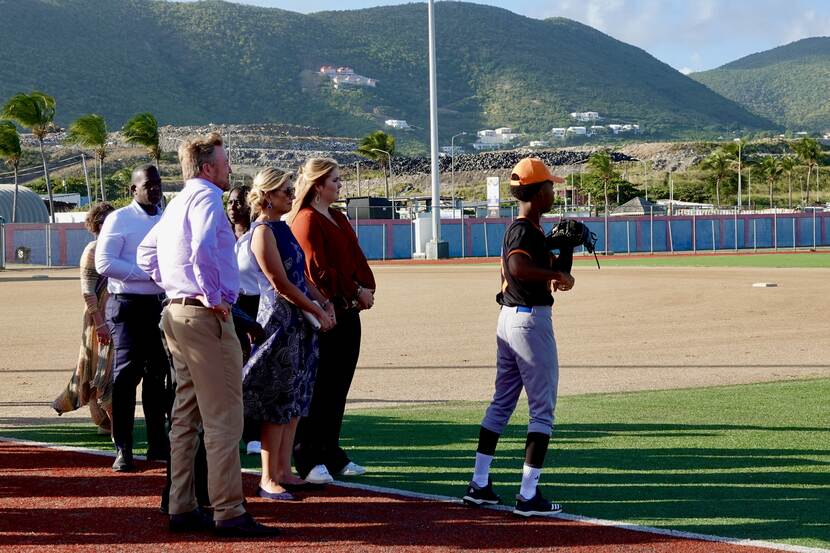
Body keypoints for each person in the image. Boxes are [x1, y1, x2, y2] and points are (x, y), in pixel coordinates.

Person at [137, 132, 278, 537]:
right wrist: (213, 297)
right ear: (207, 167)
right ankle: (229, 511)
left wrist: (176, 285)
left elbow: (147, 254)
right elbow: (200, 246)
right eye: (224, 160)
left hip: (176, 314)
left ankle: (182, 505)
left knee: (186, 415)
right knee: (224, 420)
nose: (229, 167)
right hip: (203, 318)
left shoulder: (177, 201)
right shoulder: (204, 200)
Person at [461, 157, 575, 517]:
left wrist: (567, 248)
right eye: (550, 187)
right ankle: (528, 495)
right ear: (538, 192)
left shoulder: (532, 230)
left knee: (503, 402)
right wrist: (553, 275)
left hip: (511, 319)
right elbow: (518, 267)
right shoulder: (523, 230)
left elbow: (558, 273)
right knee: (542, 409)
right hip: (529, 322)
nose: (553, 192)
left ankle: (479, 484)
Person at [243, 167, 335, 500]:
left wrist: (323, 300)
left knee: (295, 399)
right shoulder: (263, 232)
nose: (291, 195)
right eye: (284, 191)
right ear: (266, 196)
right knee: (277, 400)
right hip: (280, 325)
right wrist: (315, 309)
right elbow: (280, 284)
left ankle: (284, 470)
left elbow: (302, 276)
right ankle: (268, 476)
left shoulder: (283, 229)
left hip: (301, 325)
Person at [289, 157, 376, 484]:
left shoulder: (338, 217)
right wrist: (355, 291)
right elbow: (317, 271)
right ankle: (307, 456)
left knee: (338, 387)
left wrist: (364, 289)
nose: (340, 185)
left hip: (347, 311)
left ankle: (330, 451)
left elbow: (356, 258)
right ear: (318, 185)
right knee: (319, 387)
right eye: (335, 181)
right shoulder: (307, 220)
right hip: (324, 315)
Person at [95, 165, 170, 472]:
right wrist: (147, 276)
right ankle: (123, 448)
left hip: (159, 306)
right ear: (133, 189)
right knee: (126, 378)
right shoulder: (119, 219)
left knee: (158, 377)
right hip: (127, 306)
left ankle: (157, 444)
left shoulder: (167, 218)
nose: (154, 189)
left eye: (158, 184)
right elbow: (104, 262)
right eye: (148, 185)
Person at [52, 202, 116, 433]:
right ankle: (106, 420)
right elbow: (87, 290)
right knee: (100, 369)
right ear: (98, 224)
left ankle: (102, 419)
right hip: (98, 318)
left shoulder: (118, 248)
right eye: (109, 219)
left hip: (116, 317)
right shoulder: (93, 249)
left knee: (100, 369)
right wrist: (99, 322)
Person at [227, 184, 265, 455]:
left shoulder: (258, 236)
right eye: (229, 202)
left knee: (253, 372)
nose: (233, 206)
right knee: (230, 372)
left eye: (239, 201)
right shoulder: (220, 235)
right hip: (227, 305)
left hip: (255, 305)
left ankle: (253, 433)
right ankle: (231, 430)